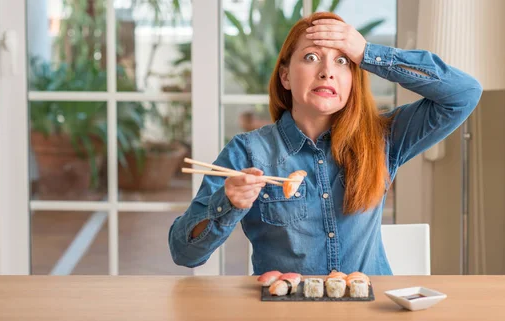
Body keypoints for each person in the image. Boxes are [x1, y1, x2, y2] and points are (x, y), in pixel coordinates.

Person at [168, 11, 482, 275]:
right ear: (286, 77)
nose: (327, 72)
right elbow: (184, 252)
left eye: (343, 61)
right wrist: (227, 202)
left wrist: (367, 53)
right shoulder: (248, 152)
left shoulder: (384, 137)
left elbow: (464, 93)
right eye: (311, 57)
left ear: (352, 78)